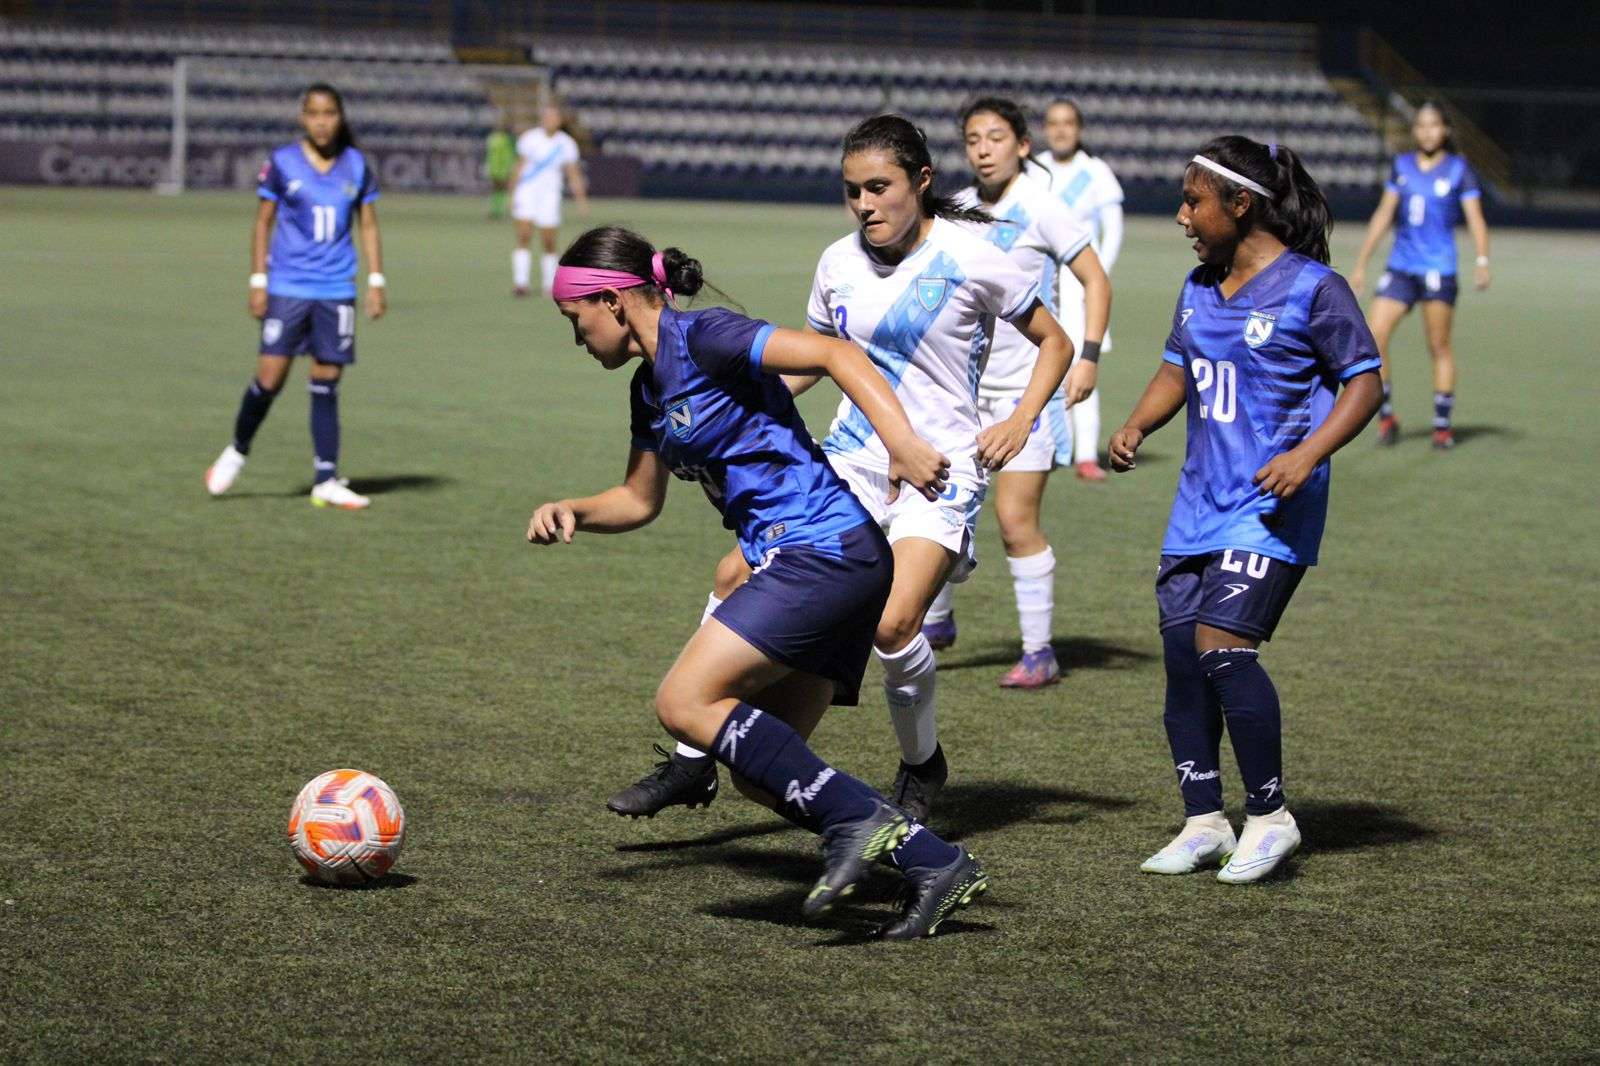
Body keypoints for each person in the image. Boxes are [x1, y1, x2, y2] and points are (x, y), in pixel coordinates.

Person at [606, 114, 1073, 826]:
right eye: (853, 191)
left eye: (879, 188)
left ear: (921, 181)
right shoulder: (837, 264)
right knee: (735, 574)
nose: (865, 205)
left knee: (891, 623)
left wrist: (1018, 420)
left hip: (938, 466)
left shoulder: (975, 257)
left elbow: (1055, 343)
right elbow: (814, 363)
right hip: (851, 457)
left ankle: (922, 765)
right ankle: (692, 760)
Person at [529, 225, 987, 938]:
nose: (576, 337)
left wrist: (900, 441)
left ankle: (859, 824)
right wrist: (574, 511)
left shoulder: (706, 337)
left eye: (574, 320)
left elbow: (836, 353)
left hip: (824, 552)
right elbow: (638, 500)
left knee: (683, 700)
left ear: (613, 302)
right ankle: (936, 863)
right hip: (820, 565)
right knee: (760, 768)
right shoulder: (649, 390)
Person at [1108, 136, 1382, 883]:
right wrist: (1137, 423)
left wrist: (1307, 454)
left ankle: (1270, 815)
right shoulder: (1199, 287)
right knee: (1183, 664)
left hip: (1269, 505)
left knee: (1224, 649)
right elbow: (1178, 367)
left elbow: (1364, 384)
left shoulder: (1314, 289)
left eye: (1194, 200)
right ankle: (1203, 822)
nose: (1182, 215)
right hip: (1199, 501)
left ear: (1241, 204)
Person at [920, 96, 1111, 689]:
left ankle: (1039, 653)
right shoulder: (961, 211)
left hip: (1032, 391)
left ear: (1023, 145)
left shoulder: (1042, 207)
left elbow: (1095, 279)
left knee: (1012, 518)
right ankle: (938, 620)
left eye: (996, 137)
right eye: (973, 138)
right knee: (939, 504)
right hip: (964, 391)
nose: (983, 148)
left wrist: (1088, 357)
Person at [204, 82, 384, 509]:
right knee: (270, 378)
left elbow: (369, 226)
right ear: (303, 118)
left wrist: (375, 281)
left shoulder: (357, 165)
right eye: (314, 114)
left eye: (329, 113)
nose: (322, 122)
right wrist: (258, 281)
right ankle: (236, 451)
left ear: (340, 117)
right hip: (288, 286)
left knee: (327, 380)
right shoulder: (282, 163)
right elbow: (262, 223)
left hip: (337, 288)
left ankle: (326, 478)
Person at [1350, 101, 1490, 449]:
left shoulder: (1459, 170)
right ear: (1415, 131)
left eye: (1434, 125)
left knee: (1438, 345)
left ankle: (1442, 426)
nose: (1427, 131)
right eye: (1421, 125)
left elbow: (1475, 219)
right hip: (1400, 267)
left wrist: (1483, 259)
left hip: (1438, 269)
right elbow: (1384, 215)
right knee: (1374, 337)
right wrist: (1362, 263)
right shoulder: (1402, 166)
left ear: (1445, 130)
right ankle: (1386, 415)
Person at [1033, 98, 1125, 481]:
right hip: (1040, 281)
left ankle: (1086, 453)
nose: (1060, 130)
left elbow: (1113, 226)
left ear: (1079, 128)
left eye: (1068, 123)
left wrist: (1098, 274)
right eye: (1053, 123)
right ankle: (1052, 447)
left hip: (1080, 283)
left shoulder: (1095, 171)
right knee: (1041, 362)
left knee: (1083, 365)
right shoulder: (1034, 170)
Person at [511, 102, 588, 297]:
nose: (549, 120)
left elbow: (573, 173)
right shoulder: (530, 138)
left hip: (549, 196)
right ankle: (521, 283)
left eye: (553, 117)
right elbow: (519, 166)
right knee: (523, 235)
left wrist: (581, 200)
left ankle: (548, 284)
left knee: (549, 240)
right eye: (546, 117)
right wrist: (511, 193)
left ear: (559, 121)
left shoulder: (566, 144)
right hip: (527, 192)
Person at [485, 120, 515, 221]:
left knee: (497, 191)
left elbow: (490, 155)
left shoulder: (493, 139)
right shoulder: (507, 141)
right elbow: (509, 156)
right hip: (503, 169)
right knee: (504, 191)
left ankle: (495, 211)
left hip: (494, 168)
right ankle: (500, 211)